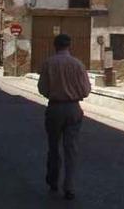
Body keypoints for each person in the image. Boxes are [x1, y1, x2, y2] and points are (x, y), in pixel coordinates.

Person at [37, 34, 91, 201]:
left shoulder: (48, 63)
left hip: (54, 108)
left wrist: (54, 93)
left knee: (53, 147)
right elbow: (86, 90)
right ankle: (69, 187)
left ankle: (53, 180)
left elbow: (42, 88)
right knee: (71, 149)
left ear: (55, 46)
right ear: (69, 46)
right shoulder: (78, 64)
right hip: (74, 108)